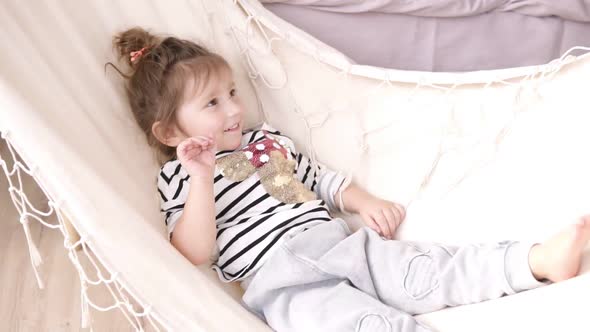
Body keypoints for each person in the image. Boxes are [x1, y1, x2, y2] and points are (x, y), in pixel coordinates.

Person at [111, 27, 590, 332]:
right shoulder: (182, 176)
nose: (235, 109)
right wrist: (200, 177)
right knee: (362, 326)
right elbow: (194, 251)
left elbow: (314, 180)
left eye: (232, 93)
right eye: (213, 104)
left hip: (337, 243)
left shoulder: (266, 144)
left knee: (424, 272)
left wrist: (361, 200)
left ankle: (532, 263)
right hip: (282, 285)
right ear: (171, 131)